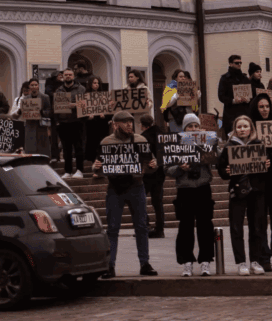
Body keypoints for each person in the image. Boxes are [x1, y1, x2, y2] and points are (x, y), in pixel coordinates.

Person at [92, 111, 159, 279]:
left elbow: (151, 166)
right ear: (115, 124)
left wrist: (153, 164)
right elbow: (99, 169)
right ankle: (110, 266)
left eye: (130, 121)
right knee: (113, 229)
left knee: (141, 227)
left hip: (136, 186)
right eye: (124, 122)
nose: (129, 124)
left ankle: (145, 263)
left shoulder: (141, 140)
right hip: (115, 188)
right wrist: (95, 167)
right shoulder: (107, 142)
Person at [217, 115, 270, 276]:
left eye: (245, 126)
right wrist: (226, 172)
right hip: (237, 191)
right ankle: (241, 262)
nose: (242, 129)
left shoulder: (259, 145)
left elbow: (266, 170)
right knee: (236, 228)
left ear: (251, 129)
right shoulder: (228, 147)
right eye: (239, 127)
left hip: (257, 191)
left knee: (257, 227)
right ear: (235, 129)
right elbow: (221, 169)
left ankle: (255, 261)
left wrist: (267, 165)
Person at [167, 113, 215, 276]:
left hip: (203, 187)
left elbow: (217, 158)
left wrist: (211, 143)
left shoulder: (206, 140)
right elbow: (168, 169)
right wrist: (181, 168)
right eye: (190, 126)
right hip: (185, 190)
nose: (193, 129)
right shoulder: (176, 144)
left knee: (205, 226)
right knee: (185, 227)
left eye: (196, 126)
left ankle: (205, 261)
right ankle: (186, 262)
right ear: (184, 129)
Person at [249, 93, 272, 272]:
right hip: (258, 182)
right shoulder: (249, 129)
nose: (264, 110)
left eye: (267, 107)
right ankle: (264, 258)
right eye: (261, 107)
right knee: (260, 221)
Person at [55, 68, 86, 178]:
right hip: (63, 123)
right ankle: (67, 171)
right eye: (66, 74)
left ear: (73, 76)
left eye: (70, 74)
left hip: (77, 121)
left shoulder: (81, 89)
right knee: (66, 148)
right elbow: (56, 106)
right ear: (63, 76)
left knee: (78, 147)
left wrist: (74, 105)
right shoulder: (59, 90)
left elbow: (85, 104)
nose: (68, 76)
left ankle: (79, 170)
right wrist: (57, 121)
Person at [140, 114, 165, 239]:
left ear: (142, 125)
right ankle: (160, 229)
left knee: (140, 199)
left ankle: (146, 225)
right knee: (158, 202)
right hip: (160, 174)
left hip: (147, 174)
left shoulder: (143, 137)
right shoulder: (161, 134)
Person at [218, 55, 252, 137]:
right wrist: (233, 100)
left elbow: (251, 94)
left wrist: (248, 99)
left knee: (245, 137)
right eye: (237, 63)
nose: (239, 64)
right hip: (231, 113)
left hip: (244, 112)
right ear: (230, 64)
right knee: (231, 137)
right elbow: (221, 96)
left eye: (240, 62)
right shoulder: (225, 78)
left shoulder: (245, 78)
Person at [84, 76, 111, 172]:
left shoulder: (104, 95)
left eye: (98, 83)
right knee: (92, 144)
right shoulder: (85, 95)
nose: (96, 85)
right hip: (91, 125)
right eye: (94, 83)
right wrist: (88, 116)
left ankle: (102, 163)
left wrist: (105, 115)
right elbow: (82, 110)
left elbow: (110, 110)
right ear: (90, 84)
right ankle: (93, 164)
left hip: (102, 125)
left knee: (102, 143)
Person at [21, 79, 52, 158]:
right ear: (29, 86)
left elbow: (49, 111)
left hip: (41, 126)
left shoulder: (45, 97)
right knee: (30, 146)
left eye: (35, 85)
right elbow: (23, 112)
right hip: (30, 125)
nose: (34, 87)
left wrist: (41, 111)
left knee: (42, 147)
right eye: (32, 85)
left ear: (38, 86)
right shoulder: (25, 99)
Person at [126, 69, 154, 135]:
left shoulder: (144, 88)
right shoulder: (126, 90)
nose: (130, 79)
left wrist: (148, 104)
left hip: (141, 117)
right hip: (130, 117)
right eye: (129, 77)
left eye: (132, 77)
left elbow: (150, 101)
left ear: (137, 77)